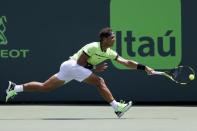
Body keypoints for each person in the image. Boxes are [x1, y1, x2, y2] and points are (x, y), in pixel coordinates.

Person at [6, 27, 154, 118]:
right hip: (72, 65)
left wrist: (144, 67)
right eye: (112, 37)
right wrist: (95, 69)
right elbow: (80, 63)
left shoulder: (109, 52)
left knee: (46, 87)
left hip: (72, 69)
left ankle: (15, 88)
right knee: (99, 81)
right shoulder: (92, 47)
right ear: (104, 39)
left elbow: (126, 62)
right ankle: (117, 108)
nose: (114, 39)